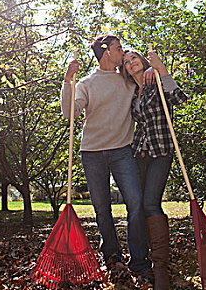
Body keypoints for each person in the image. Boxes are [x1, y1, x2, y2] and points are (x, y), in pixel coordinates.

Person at [60, 35, 153, 279]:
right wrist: (68, 80)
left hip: (123, 150)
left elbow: (145, 79)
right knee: (102, 208)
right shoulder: (87, 84)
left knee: (135, 202)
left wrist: (153, 68)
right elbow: (71, 113)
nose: (122, 52)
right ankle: (112, 255)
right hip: (92, 153)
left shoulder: (127, 80)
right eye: (118, 48)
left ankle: (139, 259)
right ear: (105, 52)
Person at [121, 49, 187, 289]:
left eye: (134, 59)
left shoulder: (157, 81)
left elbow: (180, 99)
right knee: (138, 204)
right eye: (126, 62)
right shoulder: (131, 92)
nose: (130, 63)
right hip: (139, 153)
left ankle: (160, 265)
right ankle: (143, 259)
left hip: (161, 151)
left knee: (151, 203)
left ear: (143, 60)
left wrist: (161, 69)